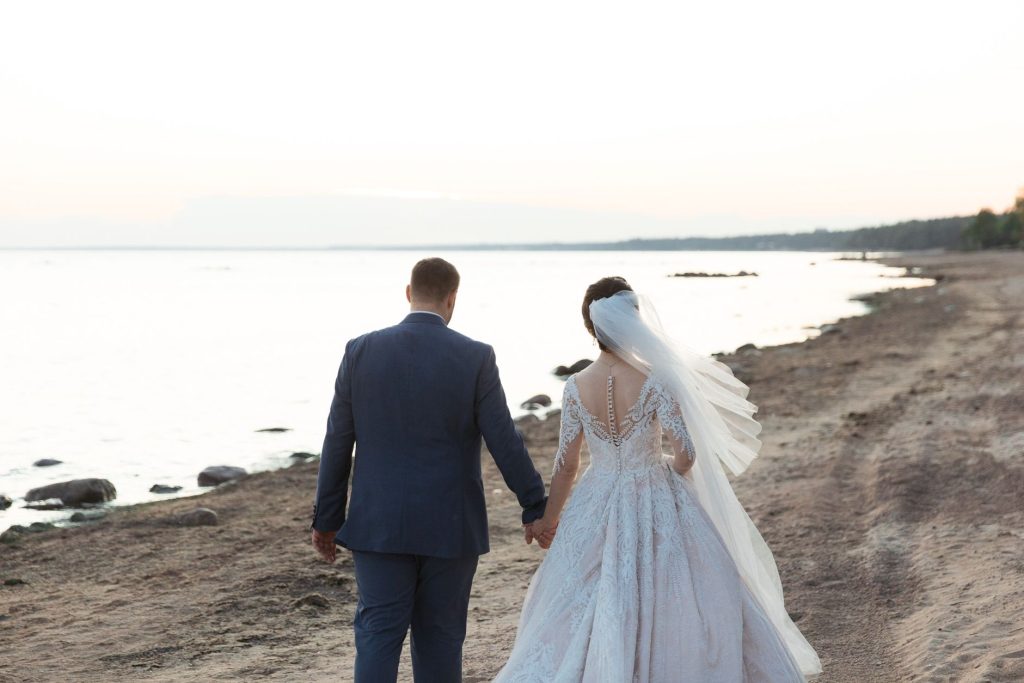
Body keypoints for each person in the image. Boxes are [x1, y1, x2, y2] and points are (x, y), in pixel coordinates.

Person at [494, 276, 822, 681]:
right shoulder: (655, 377)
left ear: (590, 327)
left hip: (597, 495)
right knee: (681, 591)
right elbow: (686, 454)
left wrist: (550, 519)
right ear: (633, 321)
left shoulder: (575, 386)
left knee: (585, 594)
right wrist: (664, 464)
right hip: (652, 486)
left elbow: (566, 464)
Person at [310, 257, 548, 683]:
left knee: (377, 635)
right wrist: (534, 505)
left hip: (378, 524)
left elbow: (337, 441)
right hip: (450, 526)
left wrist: (326, 520)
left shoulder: (360, 350)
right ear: (452, 298)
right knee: (440, 638)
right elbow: (503, 439)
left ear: (408, 293)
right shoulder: (475, 356)